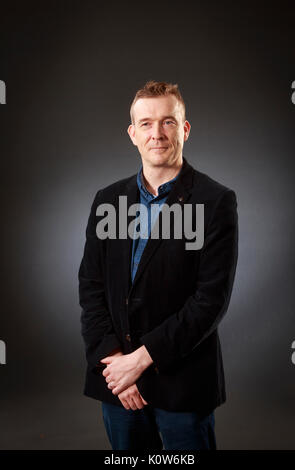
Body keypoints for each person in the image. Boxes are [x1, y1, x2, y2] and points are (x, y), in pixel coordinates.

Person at [78, 80, 238, 450]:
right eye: (147, 123)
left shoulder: (216, 201)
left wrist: (141, 360)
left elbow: (209, 301)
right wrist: (117, 363)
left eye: (168, 122)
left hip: (183, 383)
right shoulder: (109, 200)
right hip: (118, 381)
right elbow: (91, 286)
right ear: (133, 134)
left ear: (185, 129)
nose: (158, 133)